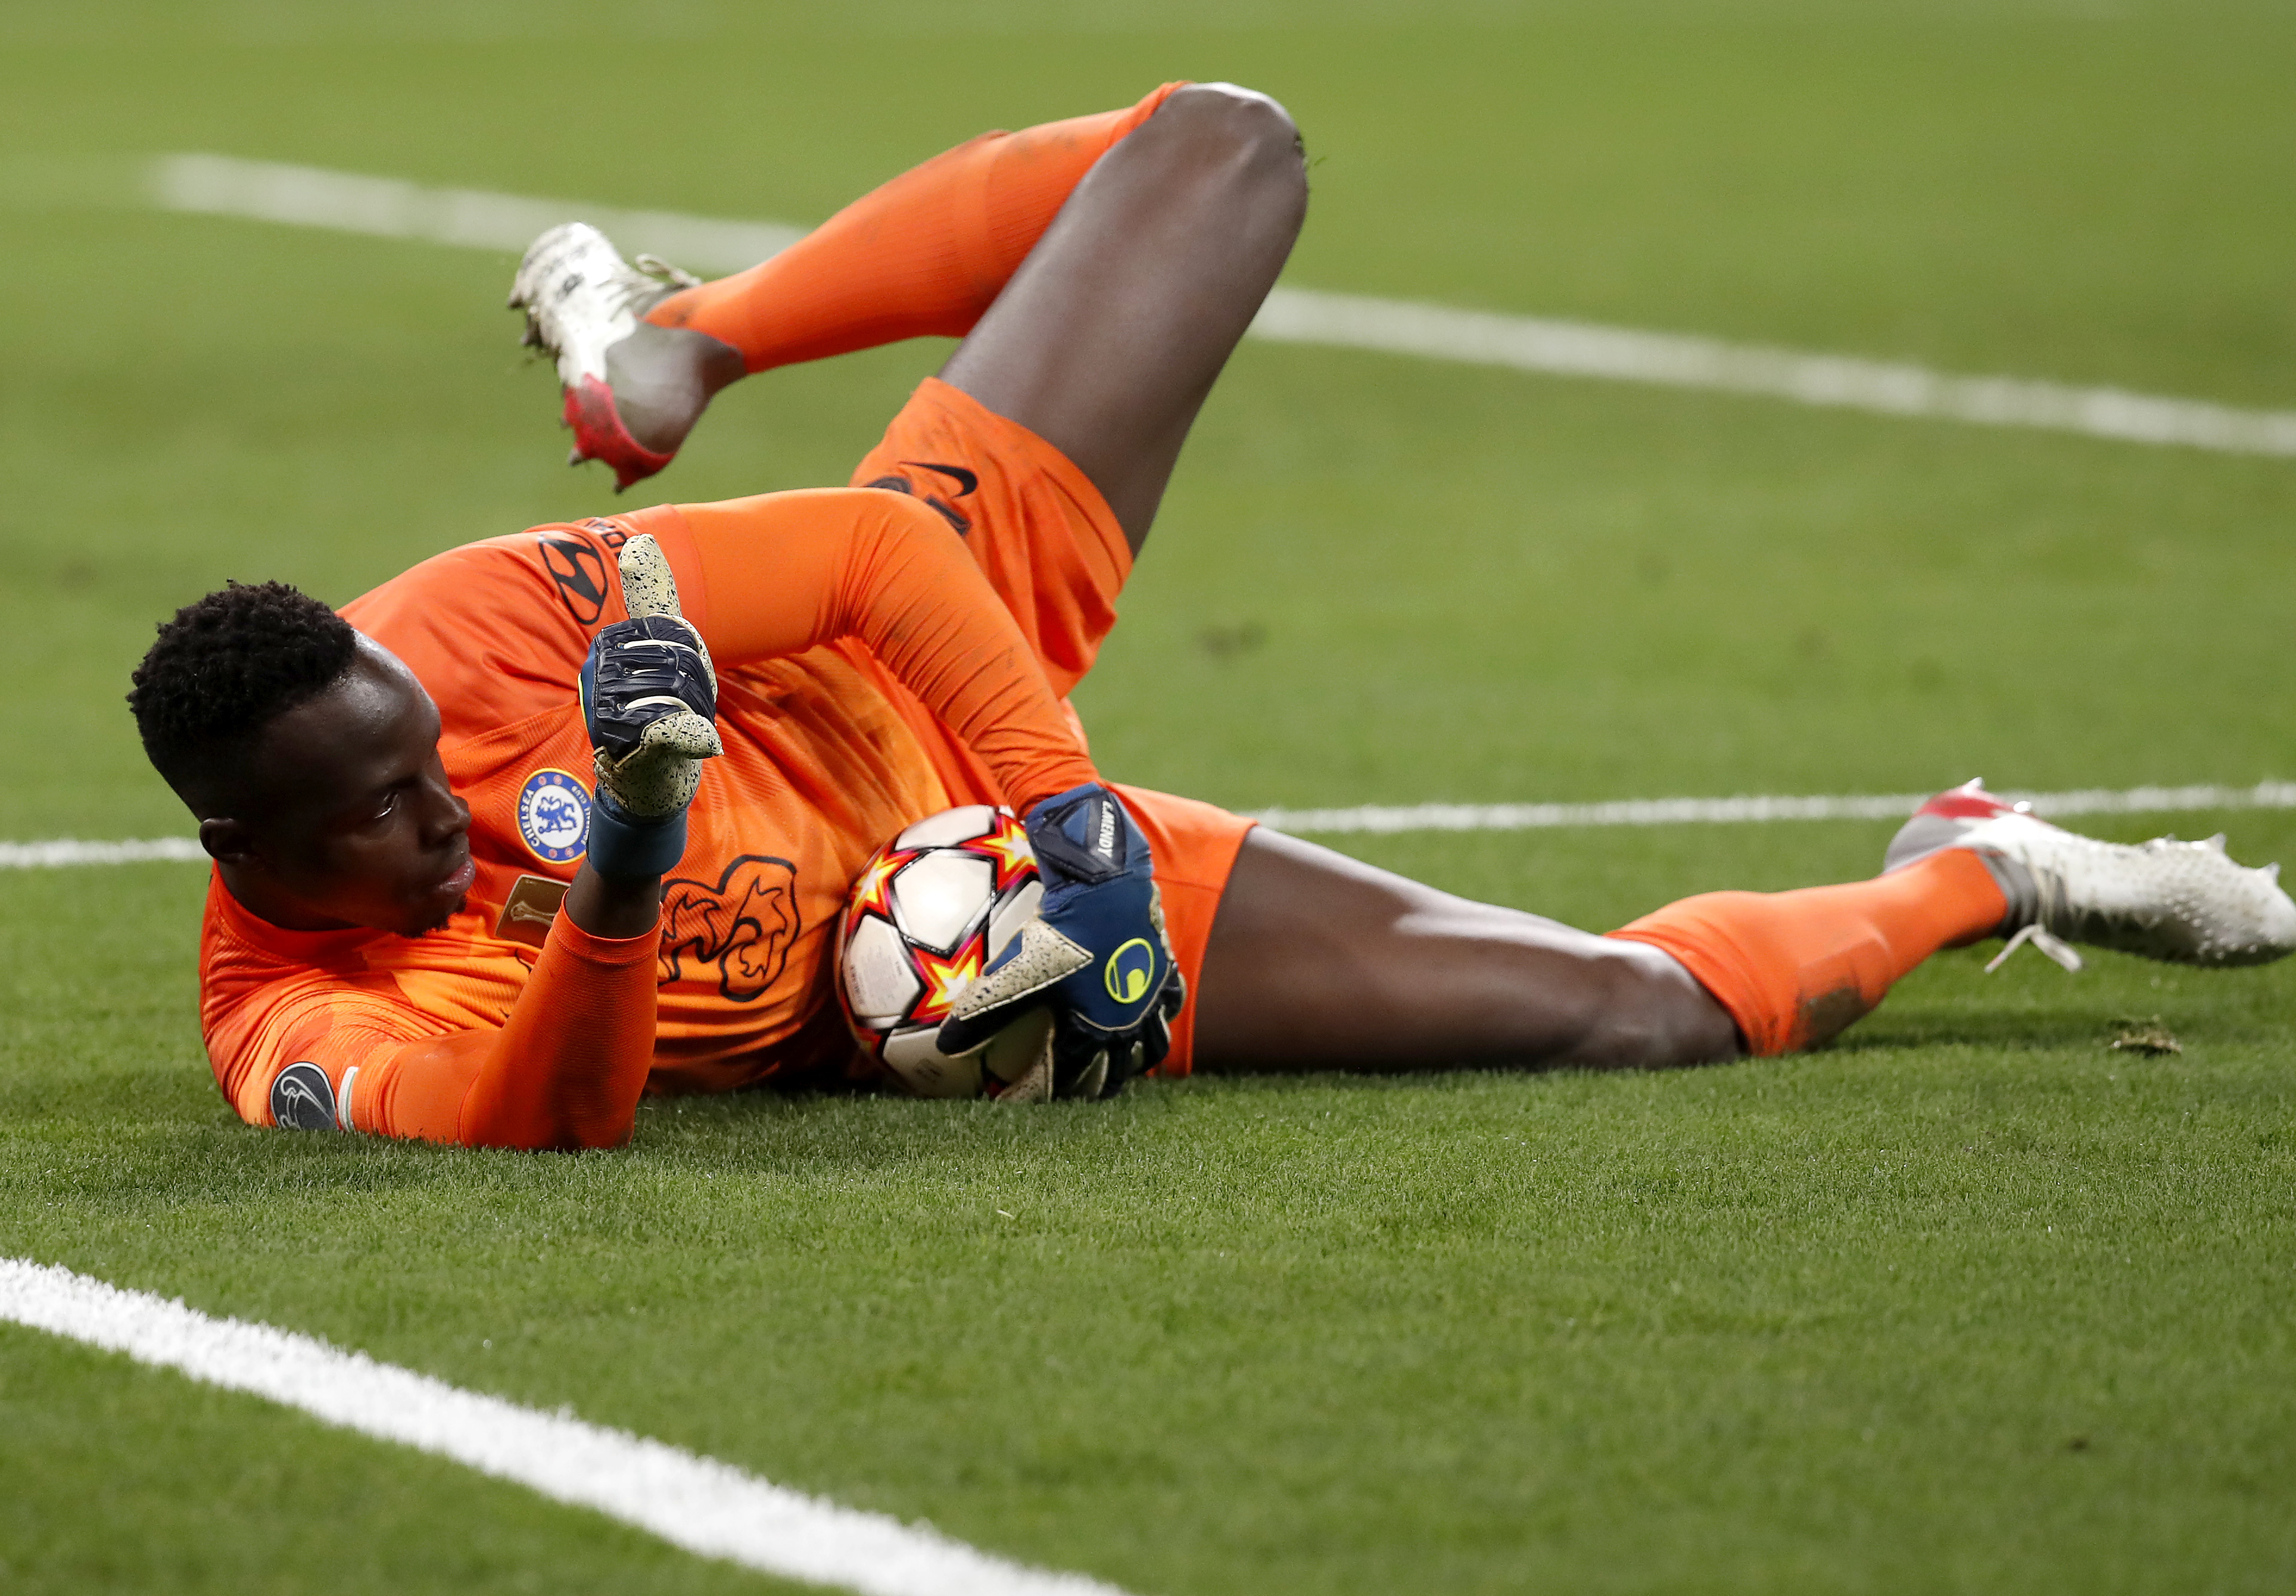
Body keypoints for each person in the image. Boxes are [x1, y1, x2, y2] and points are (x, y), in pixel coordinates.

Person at [129, 83, 2295, 1149]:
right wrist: (618, 853)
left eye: (434, 758)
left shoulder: (487, 622)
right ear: (253, 864)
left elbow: (884, 562)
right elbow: (547, 1123)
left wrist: (1054, 805)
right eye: (389, 818)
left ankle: (680, 350)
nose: (443, 810)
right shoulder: (295, 1038)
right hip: (948, 933)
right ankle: (1976, 861)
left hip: (941, 720)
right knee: (1641, 1020)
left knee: (1217, 151)